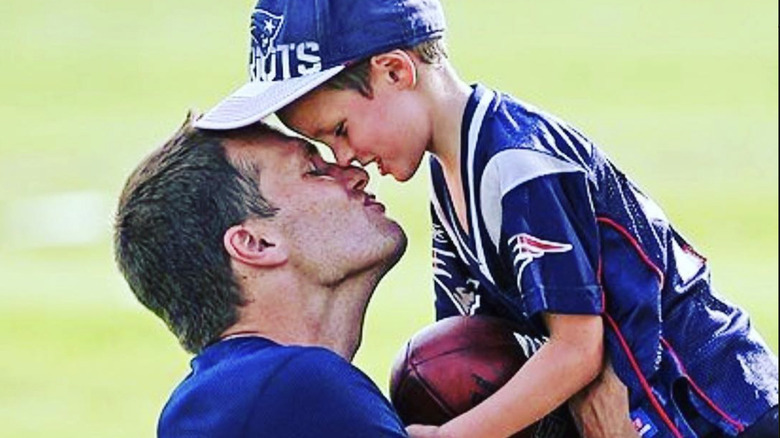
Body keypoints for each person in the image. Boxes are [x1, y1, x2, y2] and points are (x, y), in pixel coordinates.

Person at [193, 1, 779, 437]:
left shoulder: (514, 163)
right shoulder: (450, 179)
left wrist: (452, 436)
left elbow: (577, 350)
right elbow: (471, 341)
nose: (344, 158)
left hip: (716, 402)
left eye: (339, 130)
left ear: (396, 72)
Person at [113, 112, 410, 437]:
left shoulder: (224, 398)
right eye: (313, 171)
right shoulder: (300, 387)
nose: (355, 174)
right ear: (256, 243)